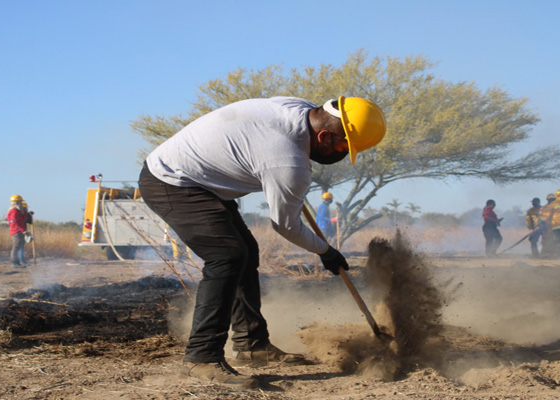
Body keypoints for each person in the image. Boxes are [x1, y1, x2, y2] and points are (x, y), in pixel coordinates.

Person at [138, 96, 386, 388]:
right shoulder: (288, 160)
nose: (341, 156)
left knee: (245, 253)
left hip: (204, 181)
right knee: (227, 256)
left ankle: (252, 346)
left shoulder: (300, 108)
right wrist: (326, 251)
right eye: (343, 147)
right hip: (171, 180)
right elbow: (285, 226)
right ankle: (201, 358)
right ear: (324, 135)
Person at [6, 195, 28, 268]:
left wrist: (25, 212)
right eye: (20, 202)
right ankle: (14, 263)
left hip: (20, 231)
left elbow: (22, 220)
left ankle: (18, 263)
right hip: (16, 232)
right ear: (17, 202)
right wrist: (22, 230)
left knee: (20, 247)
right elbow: (15, 223)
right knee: (16, 247)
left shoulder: (17, 211)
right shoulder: (14, 212)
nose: (22, 203)